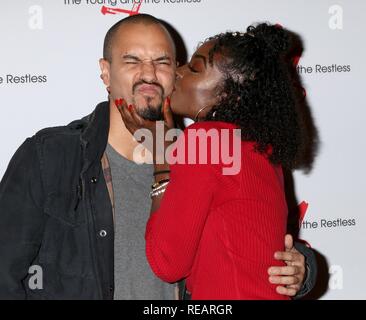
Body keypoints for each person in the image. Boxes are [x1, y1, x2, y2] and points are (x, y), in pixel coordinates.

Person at [0, 14, 315, 299]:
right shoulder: (51, 156)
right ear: (106, 73)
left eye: (163, 61)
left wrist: (302, 267)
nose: (149, 73)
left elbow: (246, 235)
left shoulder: (203, 151)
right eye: (132, 60)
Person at [117, 22, 315, 299]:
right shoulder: (260, 150)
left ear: (227, 95)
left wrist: (161, 160)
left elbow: (167, 264)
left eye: (193, 69)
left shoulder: (206, 139)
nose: (176, 73)